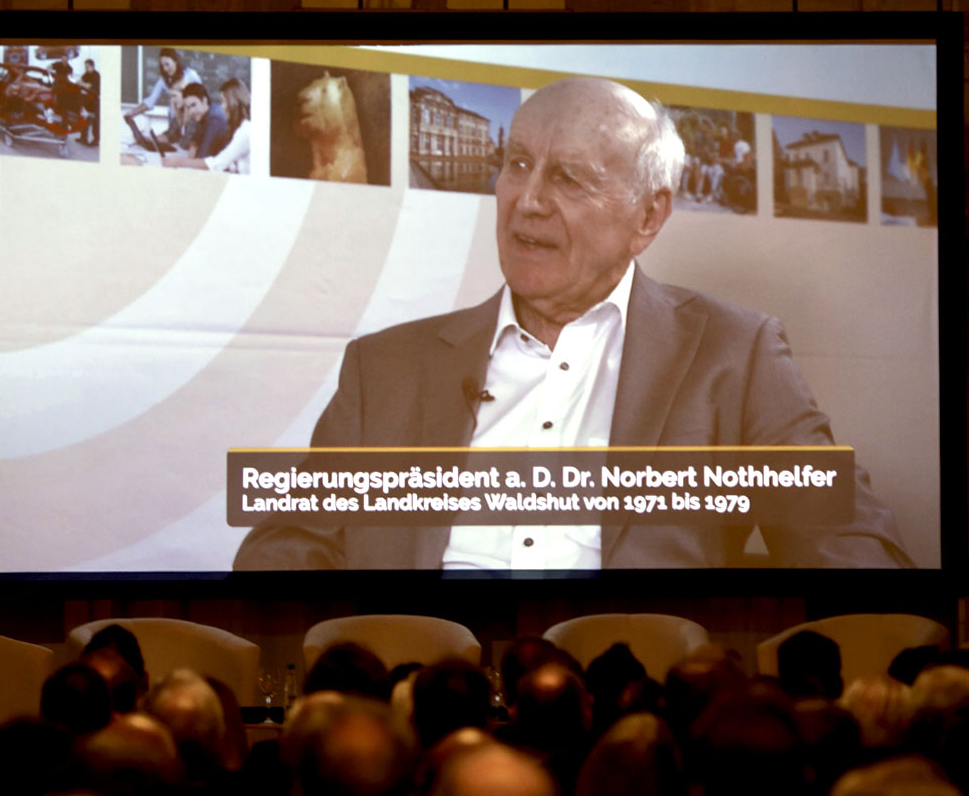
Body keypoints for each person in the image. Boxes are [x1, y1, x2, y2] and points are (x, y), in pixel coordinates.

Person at [233, 76, 912, 572]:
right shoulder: (383, 366)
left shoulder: (734, 354)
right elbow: (286, 546)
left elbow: (846, 543)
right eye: (517, 165)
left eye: (566, 178)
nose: (527, 201)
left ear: (647, 216)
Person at [162, 78, 251, 174]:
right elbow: (193, 150)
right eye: (188, 107)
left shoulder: (217, 119)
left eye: (224, 101)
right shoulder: (203, 116)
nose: (222, 106)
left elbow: (211, 160)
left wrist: (180, 162)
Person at [77, 58, 100, 146]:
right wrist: (81, 83)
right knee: (85, 118)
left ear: (92, 66)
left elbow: (88, 86)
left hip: (94, 100)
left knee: (95, 121)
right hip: (87, 99)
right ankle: (83, 138)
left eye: (87, 67)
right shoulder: (87, 74)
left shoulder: (96, 75)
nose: (86, 68)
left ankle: (96, 140)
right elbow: (80, 81)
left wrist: (82, 84)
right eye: (85, 67)